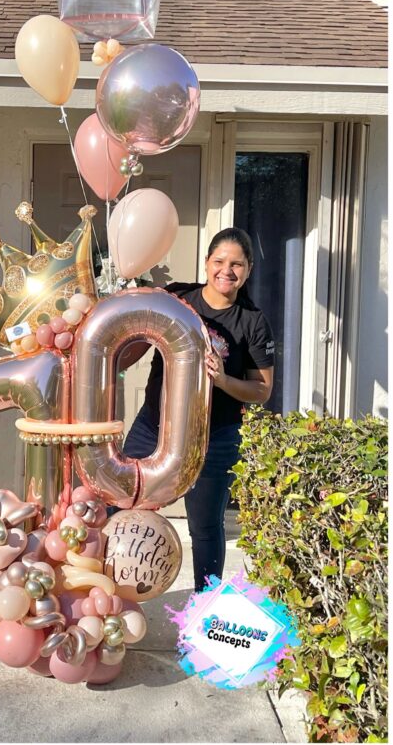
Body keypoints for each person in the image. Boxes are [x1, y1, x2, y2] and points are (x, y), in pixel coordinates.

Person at [121, 227, 275, 592]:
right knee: (120, 501)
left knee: (204, 527)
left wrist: (222, 379)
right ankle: (111, 595)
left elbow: (262, 390)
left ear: (249, 269)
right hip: (153, 426)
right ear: (207, 263)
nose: (227, 270)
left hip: (215, 435)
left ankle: (204, 612)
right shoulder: (178, 298)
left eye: (237, 264)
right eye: (219, 261)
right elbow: (134, 341)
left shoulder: (252, 321)